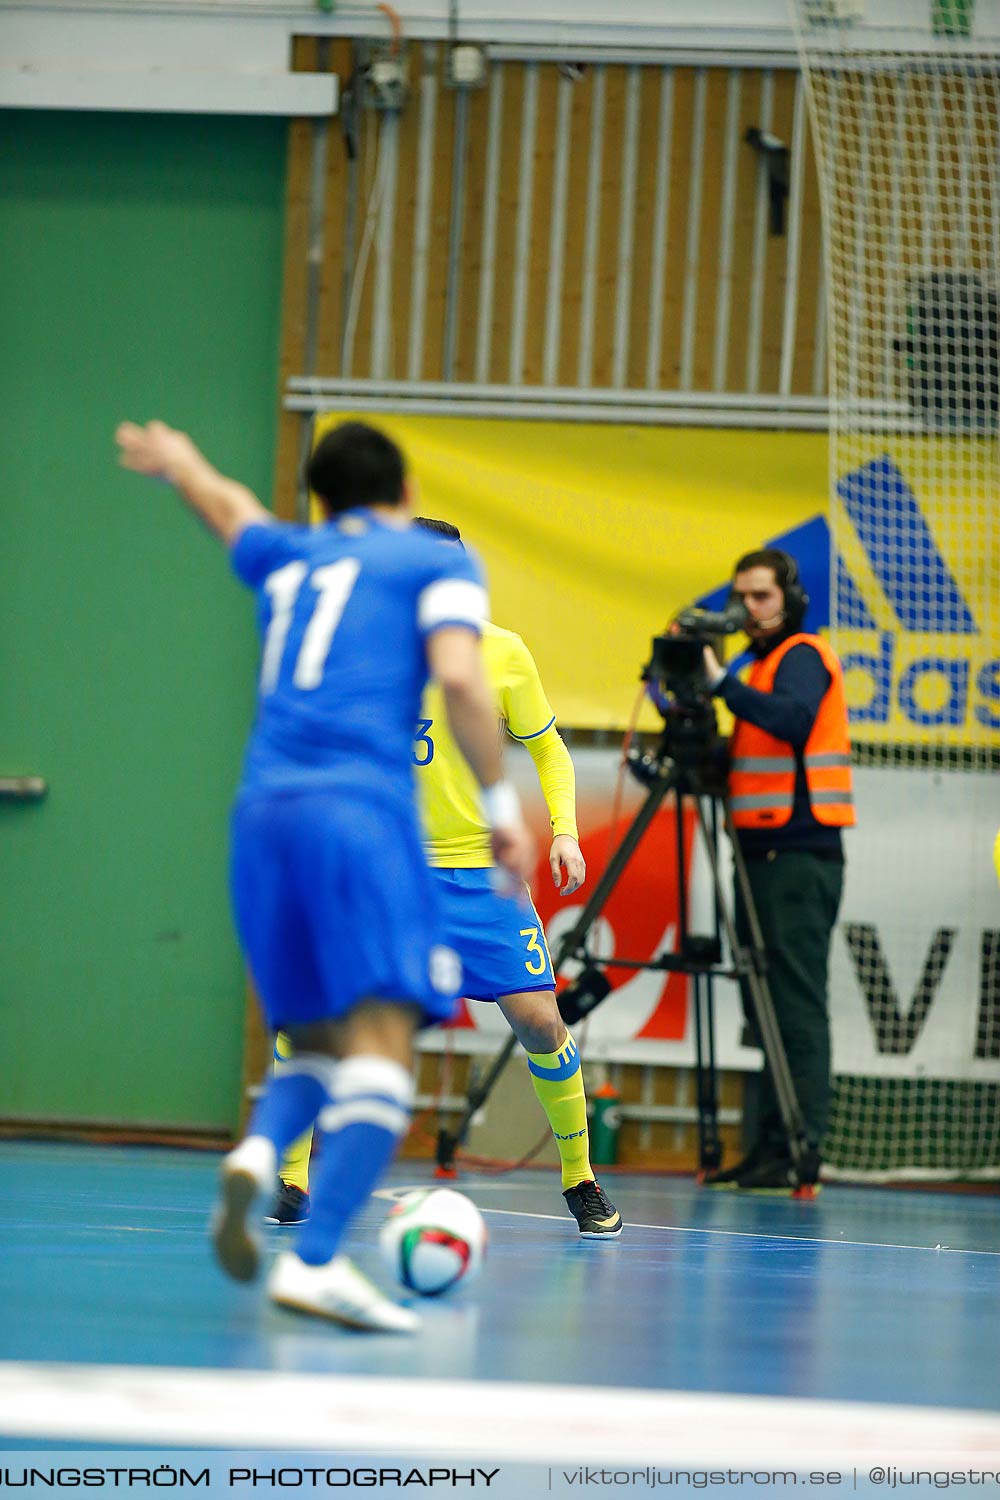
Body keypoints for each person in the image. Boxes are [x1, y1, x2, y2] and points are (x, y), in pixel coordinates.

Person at [114, 418, 535, 1332]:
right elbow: (462, 682)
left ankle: (259, 1154)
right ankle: (313, 1262)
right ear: (407, 493)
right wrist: (504, 808)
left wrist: (181, 462)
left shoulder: (288, 554)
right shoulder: (433, 564)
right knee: (384, 1046)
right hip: (361, 820)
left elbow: (227, 508)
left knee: (311, 1042)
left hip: (263, 817)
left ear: (321, 496)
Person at [269, 518, 622, 1240]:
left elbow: (550, 750)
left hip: (481, 880)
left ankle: (580, 1178)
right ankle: (293, 1180)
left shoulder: (502, 653)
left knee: (540, 1020)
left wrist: (564, 833)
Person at [700, 548, 854, 1191]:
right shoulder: (755, 665)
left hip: (798, 855)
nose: (750, 609)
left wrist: (721, 687)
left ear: (790, 599)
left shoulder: (801, 657)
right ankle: (769, 1148)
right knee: (764, 1010)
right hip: (760, 854)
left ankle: (801, 1148)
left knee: (794, 1007)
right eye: (742, 597)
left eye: (762, 596)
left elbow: (793, 722)